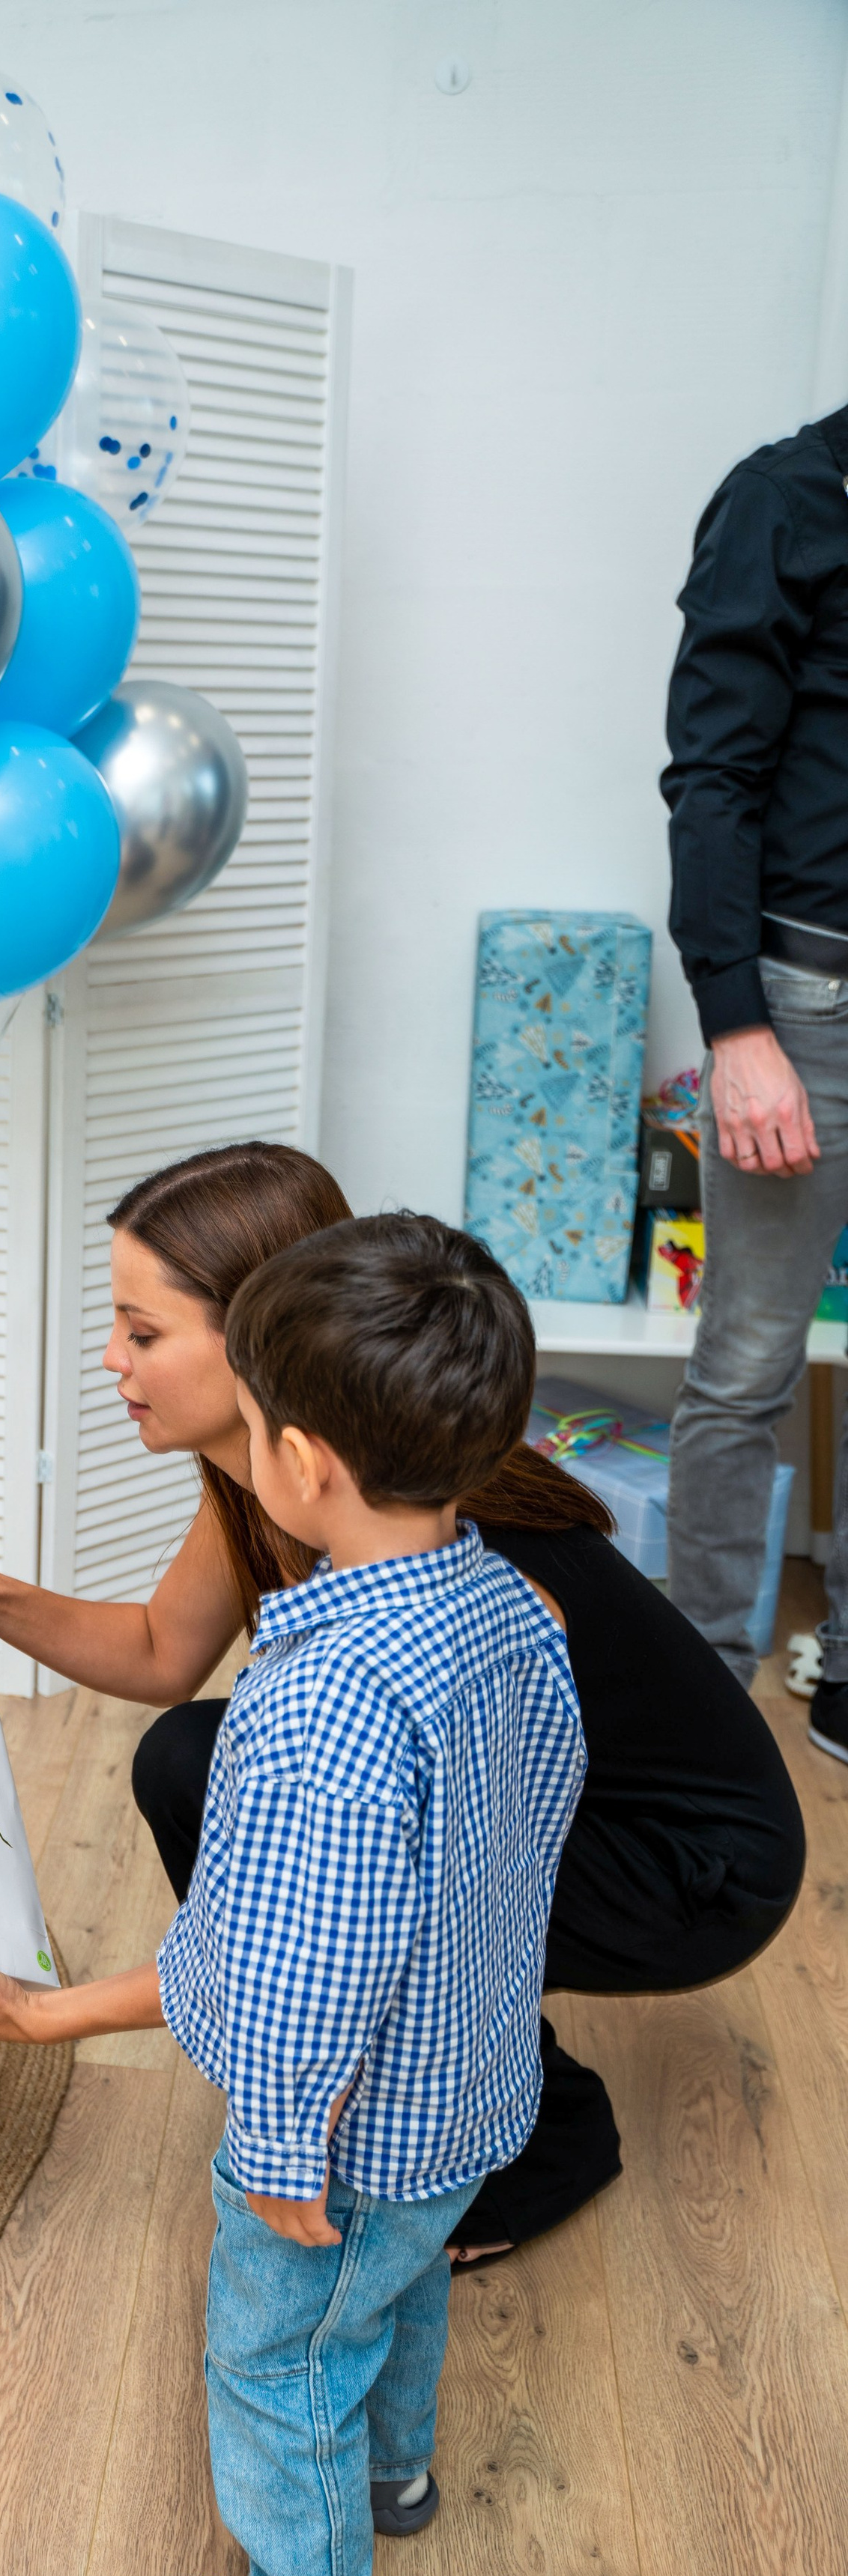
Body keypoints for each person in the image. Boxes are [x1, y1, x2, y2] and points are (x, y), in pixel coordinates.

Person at [0, 1213, 586, 2576]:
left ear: (302, 1461)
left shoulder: (318, 1705)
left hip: (349, 2133)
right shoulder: (520, 1612)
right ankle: (388, 2472)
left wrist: (268, 2140)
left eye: (246, 1422)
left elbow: (286, 1983)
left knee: (275, 2352)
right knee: (393, 2298)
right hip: (469, 2093)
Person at [0, 1141, 805, 2262]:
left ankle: (533, 2136)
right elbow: (168, 1649)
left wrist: (54, 2016)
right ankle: (407, 2099)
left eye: (144, 1331)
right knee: (190, 1758)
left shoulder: (456, 1540)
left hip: (695, 1863)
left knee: (354, 1860)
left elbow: (344, 1912)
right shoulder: (293, 1473)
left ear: (259, 1336)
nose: (112, 1359)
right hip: (560, 1804)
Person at [661, 404, 848, 1735]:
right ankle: (703, 1693)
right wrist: (738, 1029)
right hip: (804, 1005)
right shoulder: (784, 500)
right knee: (747, 1367)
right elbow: (713, 778)